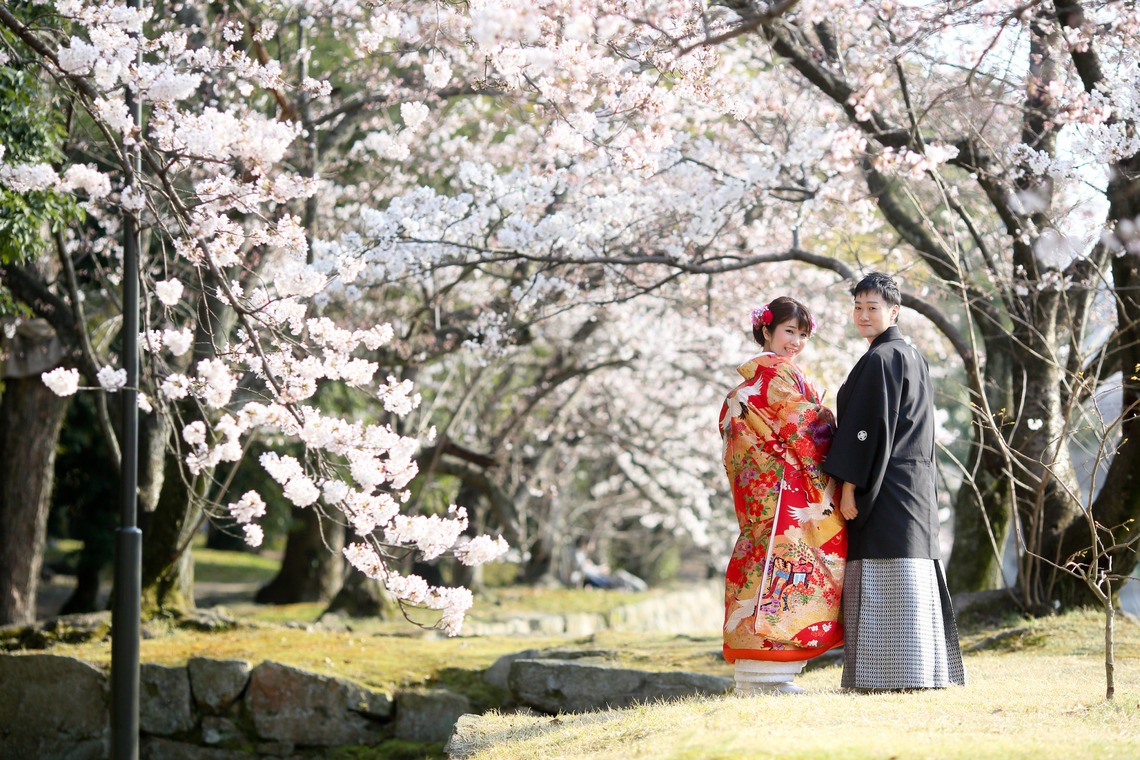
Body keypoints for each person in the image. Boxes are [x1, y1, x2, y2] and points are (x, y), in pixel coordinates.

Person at [822, 272, 966, 690]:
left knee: (884, 573)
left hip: (885, 487)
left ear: (894, 311)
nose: (864, 315)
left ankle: (883, 675)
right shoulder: (912, 354)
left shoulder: (881, 359)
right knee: (911, 572)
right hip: (913, 483)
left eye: (873, 307)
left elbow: (869, 429)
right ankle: (924, 671)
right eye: (858, 307)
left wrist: (849, 487)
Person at [719, 296, 847, 694]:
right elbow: (806, 429)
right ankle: (769, 678)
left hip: (761, 498)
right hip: (784, 497)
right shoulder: (777, 376)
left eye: (803, 334)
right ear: (766, 330)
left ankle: (755, 678)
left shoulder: (747, 385)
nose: (795, 342)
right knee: (786, 576)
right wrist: (830, 416)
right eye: (789, 331)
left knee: (757, 578)